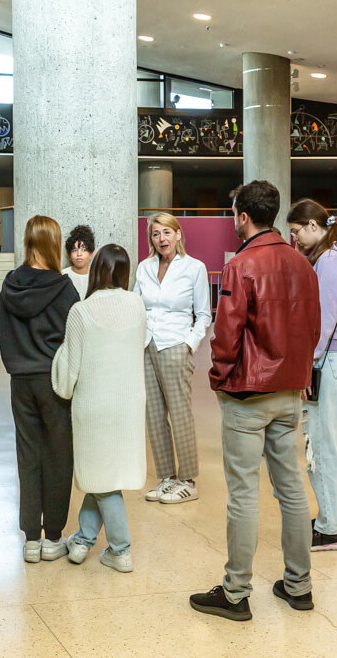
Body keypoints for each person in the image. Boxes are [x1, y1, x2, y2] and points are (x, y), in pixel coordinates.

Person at [190, 181, 320, 621]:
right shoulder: (303, 264)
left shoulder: (240, 265)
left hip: (248, 394)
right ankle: (299, 587)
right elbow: (312, 330)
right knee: (292, 489)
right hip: (289, 393)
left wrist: (218, 376)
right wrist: (299, 374)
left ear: (243, 217)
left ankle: (234, 593)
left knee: (243, 494)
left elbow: (225, 335)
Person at [52, 244, 147, 573]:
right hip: (129, 404)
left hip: (94, 406)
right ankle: (81, 541)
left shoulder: (82, 310)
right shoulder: (137, 305)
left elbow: (69, 373)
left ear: (95, 271)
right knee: (105, 475)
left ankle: (121, 550)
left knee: (102, 478)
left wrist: (58, 359)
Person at [0, 215, 80, 562]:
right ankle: (53, 537)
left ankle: (31, 538)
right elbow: (76, 337)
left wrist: (16, 365)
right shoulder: (63, 287)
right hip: (54, 381)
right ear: (53, 244)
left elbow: (2, 332)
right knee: (58, 457)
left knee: (28, 455)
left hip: (21, 381)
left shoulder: (10, 284)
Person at [286, 201, 337, 552]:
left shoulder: (330, 260)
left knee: (320, 446)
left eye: (297, 231)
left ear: (313, 225)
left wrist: (305, 366)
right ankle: (335, 518)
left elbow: (325, 320)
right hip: (330, 361)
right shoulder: (335, 254)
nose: (295, 238)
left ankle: (330, 529)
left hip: (324, 362)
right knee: (331, 444)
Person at [133, 213, 211, 504]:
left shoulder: (194, 268)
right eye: (156, 234)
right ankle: (166, 477)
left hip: (176, 344)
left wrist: (189, 344)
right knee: (154, 415)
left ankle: (187, 480)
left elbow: (204, 314)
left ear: (178, 235)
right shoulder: (144, 267)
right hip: (147, 345)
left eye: (167, 232)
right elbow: (135, 304)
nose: (162, 239)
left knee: (179, 413)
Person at [62, 224, 95, 299]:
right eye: (75, 250)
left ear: (91, 254)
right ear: (69, 255)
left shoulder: (96, 276)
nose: (79, 254)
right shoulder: (63, 275)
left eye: (83, 250)